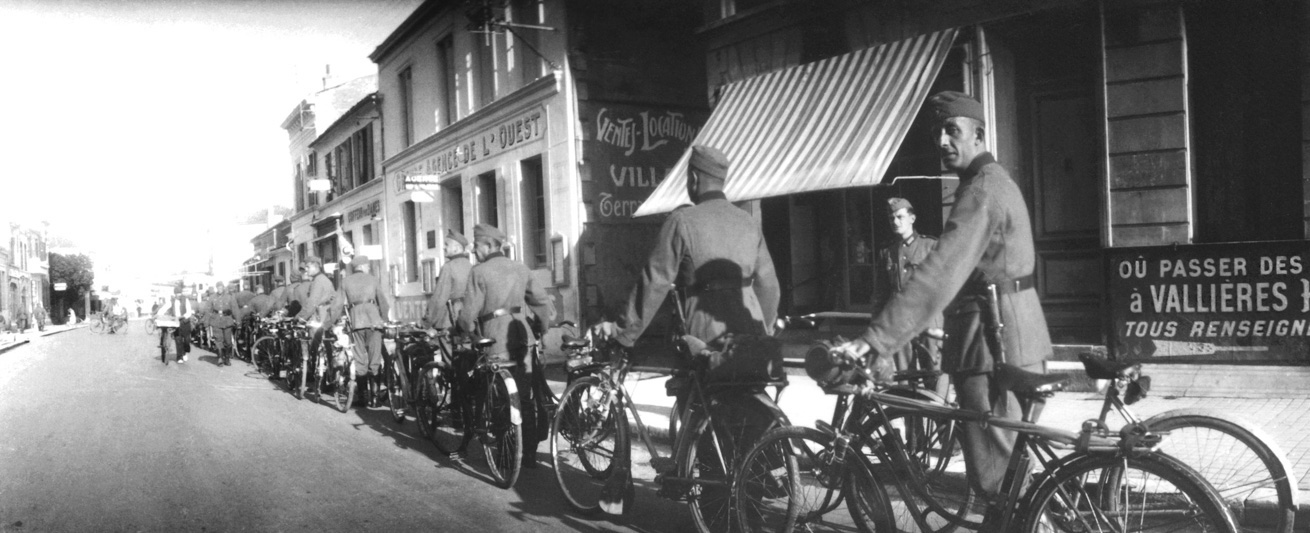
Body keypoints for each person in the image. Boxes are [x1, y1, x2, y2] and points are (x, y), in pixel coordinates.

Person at [834, 91, 1052, 527]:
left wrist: (875, 339)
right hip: (1019, 335)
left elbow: (939, 274)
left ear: (979, 135)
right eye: (937, 132)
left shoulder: (980, 191)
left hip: (991, 344)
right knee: (1010, 484)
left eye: (952, 130)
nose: (942, 141)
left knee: (996, 481)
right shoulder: (995, 182)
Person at [615, 144, 781, 348]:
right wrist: (763, 331)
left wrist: (624, 333)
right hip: (751, 333)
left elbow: (655, 281)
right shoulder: (748, 221)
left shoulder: (681, 221)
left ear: (693, 178)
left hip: (704, 335)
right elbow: (769, 286)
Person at [458, 223, 554, 467]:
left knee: (500, 397)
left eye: (477, 245)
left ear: (489, 245)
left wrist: (466, 332)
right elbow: (542, 302)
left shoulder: (479, 272)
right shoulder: (520, 268)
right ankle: (529, 454)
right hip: (523, 338)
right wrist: (541, 329)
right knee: (525, 397)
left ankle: (506, 453)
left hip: (495, 339)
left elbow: (468, 314)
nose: (474, 250)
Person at [877, 197, 947, 397]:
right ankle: (908, 418)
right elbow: (880, 295)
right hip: (900, 324)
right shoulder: (888, 252)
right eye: (891, 218)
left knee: (934, 375)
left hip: (928, 321)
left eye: (900, 217)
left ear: (912, 218)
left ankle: (938, 415)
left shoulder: (930, 246)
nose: (895, 222)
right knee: (904, 380)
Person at [331, 255, 394, 407]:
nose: (368, 268)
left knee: (359, 359)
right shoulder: (373, 279)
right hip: (374, 322)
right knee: (375, 358)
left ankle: (363, 396)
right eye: (367, 266)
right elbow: (383, 303)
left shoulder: (346, 281)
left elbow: (337, 305)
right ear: (363, 266)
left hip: (356, 321)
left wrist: (331, 322)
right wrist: (384, 319)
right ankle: (375, 397)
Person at [422, 229, 473, 333]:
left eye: (447, 244)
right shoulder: (470, 266)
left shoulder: (448, 267)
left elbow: (439, 299)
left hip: (449, 323)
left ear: (456, 248)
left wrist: (426, 322)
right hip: (468, 322)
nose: (443, 247)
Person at [156, 286, 195, 363]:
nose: (179, 295)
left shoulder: (185, 300)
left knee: (187, 340)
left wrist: (183, 316)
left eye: (180, 293)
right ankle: (179, 357)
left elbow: (189, 311)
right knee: (178, 339)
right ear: (175, 294)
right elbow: (164, 308)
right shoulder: (172, 301)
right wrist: (159, 314)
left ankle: (184, 352)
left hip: (185, 322)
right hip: (176, 322)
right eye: (177, 294)